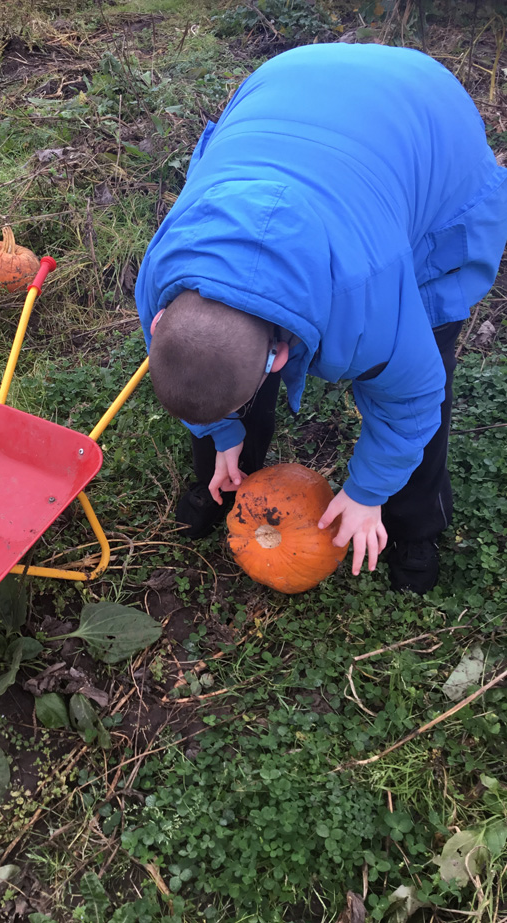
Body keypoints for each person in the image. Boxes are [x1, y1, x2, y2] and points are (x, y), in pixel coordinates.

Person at [136, 42, 507, 594]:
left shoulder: (368, 291)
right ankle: (229, 475)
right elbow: (200, 364)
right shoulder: (163, 274)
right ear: (161, 318)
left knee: (425, 344)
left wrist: (366, 494)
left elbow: (411, 398)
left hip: (424, 116)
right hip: (289, 86)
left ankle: (415, 524)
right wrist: (219, 433)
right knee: (219, 367)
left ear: (281, 357)